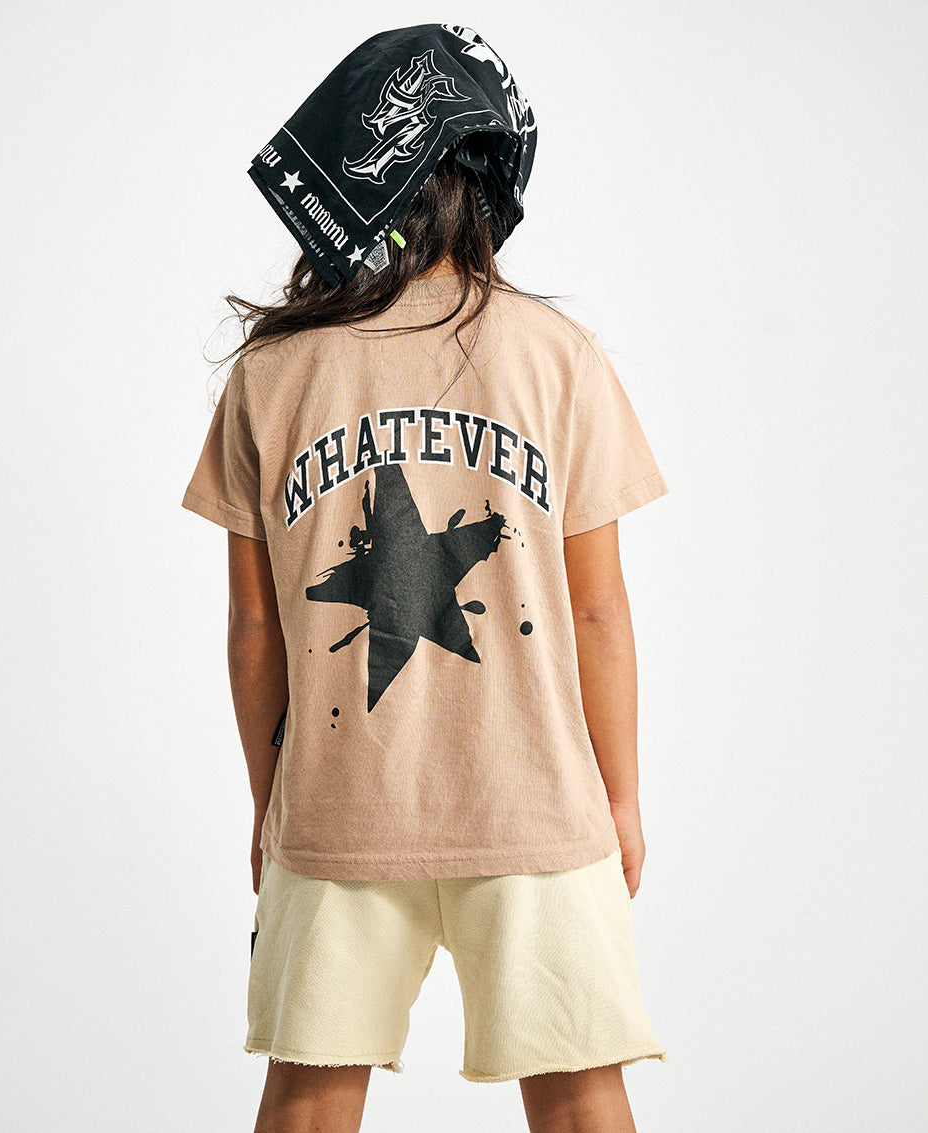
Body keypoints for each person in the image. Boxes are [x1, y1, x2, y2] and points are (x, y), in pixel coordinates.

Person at [181, 23, 669, 1133]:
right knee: (581, 1093)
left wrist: (271, 803)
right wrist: (621, 796)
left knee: (309, 1094)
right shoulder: (557, 355)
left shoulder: (272, 371)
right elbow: (598, 607)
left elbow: (254, 629)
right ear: (487, 180)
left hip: (337, 803)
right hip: (537, 798)